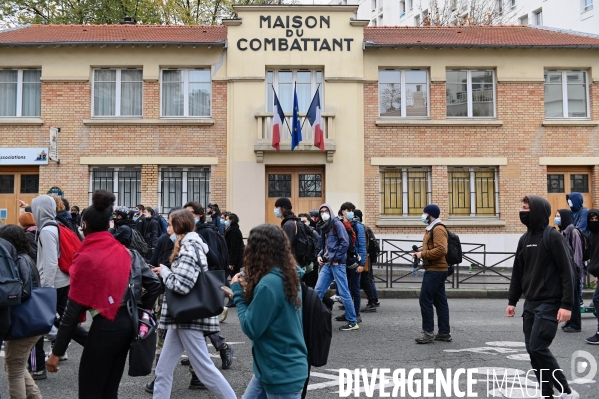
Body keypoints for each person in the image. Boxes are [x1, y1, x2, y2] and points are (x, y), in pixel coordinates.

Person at [46, 190, 161, 398]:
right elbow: (154, 284)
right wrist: (140, 308)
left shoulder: (87, 257)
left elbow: (73, 310)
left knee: (90, 390)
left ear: (84, 226)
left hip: (105, 325)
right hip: (129, 324)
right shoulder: (127, 252)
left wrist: (57, 352)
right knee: (110, 388)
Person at [151, 209, 236, 399]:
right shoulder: (192, 246)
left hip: (188, 317)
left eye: (170, 224)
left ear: (179, 226)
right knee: (163, 369)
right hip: (183, 317)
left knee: (205, 370)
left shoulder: (188, 248)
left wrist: (165, 272)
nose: (167, 229)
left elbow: (181, 285)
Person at [507, 195, 579, 399]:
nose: (522, 212)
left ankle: (567, 391)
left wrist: (567, 305)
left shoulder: (553, 236)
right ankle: (546, 394)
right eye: (521, 208)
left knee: (538, 347)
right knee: (532, 351)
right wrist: (512, 301)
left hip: (550, 303)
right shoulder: (524, 239)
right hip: (530, 304)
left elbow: (568, 272)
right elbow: (517, 273)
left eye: (526, 208)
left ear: (537, 211)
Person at [231, 224, 308, 399]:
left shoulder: (268, 285)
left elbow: (251, 327)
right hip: (277, 367)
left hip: (279, 372)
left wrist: (237, 292)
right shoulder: (288, 275)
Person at [32, 195, 88, 359]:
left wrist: (46, 289)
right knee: (65, 321)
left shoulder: (47, 231)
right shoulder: (55, 226)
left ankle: (39, 365)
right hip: (63, 280)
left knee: (53, 321)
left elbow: (49, 262)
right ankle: (64, 350)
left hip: (54, 283)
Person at [0, 225, 43, 399]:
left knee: (14, 370)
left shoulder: (19, 260)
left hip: (24, 321)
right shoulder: (25, 257)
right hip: (28, 322)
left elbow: (23, 292)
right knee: (15, 365)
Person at [313, 203, 358, 331]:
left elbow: (345, 242)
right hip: (327, 263)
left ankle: (353, 322)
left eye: (326, 210)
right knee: (318, 291)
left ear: (330, 211)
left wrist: (336, 259)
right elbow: (324, 246)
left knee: (344, 292)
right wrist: (320, 255)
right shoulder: (324, 226)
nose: (324, 213)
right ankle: (312, 318)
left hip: (337, 264)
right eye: (321, 211)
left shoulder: (337, 224)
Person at [411, 204, 451, 344]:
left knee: (425, 299)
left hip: (436, 269)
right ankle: (444, 333)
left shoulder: (438, 228)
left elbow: (441, 250)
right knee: (440, 301)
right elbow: (431, 246)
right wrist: (419, 252)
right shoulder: (431, 228)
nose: (423, 216)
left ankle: (428, 332)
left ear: (430, 215)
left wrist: (422, 254)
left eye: (424, 213)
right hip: (436, 269)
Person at [337, 202, 367, 325]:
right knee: (346, 289)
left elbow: (362, 246)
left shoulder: (357, 226)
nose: (350, 212)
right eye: (348, 210)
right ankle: (349, 312)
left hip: (355, 262)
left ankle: (356, 314)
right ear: (342, 211)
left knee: (355, 289)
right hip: (344, 261)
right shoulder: (340, 225)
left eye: (351, 210)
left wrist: (362, 264)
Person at [555, 209, 583, 333]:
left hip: (574, 270)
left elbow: (578, 253)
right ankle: (570, 321)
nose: (557, 219)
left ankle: (576, 323)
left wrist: (576, 271)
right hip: (567, 270)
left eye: (559, 216)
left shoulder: (573, 231)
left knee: (575, 298)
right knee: (569, 296)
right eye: (556, 216)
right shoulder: (562, 232)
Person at [355, 209, 380, 312]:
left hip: (363, 258)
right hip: (366, 258)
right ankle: (372, 301)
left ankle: (372, 302)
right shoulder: (365, 228)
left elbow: (363, 245)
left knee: (365, 281)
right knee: (366, 280)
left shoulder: (361, 229)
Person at [585, 209, 599, 344]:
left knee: (597, 300)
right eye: (591, 219)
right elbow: (590, 255)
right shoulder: (591, 236)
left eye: (596, 219)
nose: (594, 221)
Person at [224, 213, 244, 302]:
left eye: (227, 219)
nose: (225, 221)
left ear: (231, 220)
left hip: (233, 260)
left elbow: (234, 248)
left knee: (231, 279)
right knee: (234, 279)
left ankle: (234, 298)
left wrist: (231, 262)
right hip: (233, 259)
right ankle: (236, 297)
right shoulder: (232, 229)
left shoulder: (234, 231)